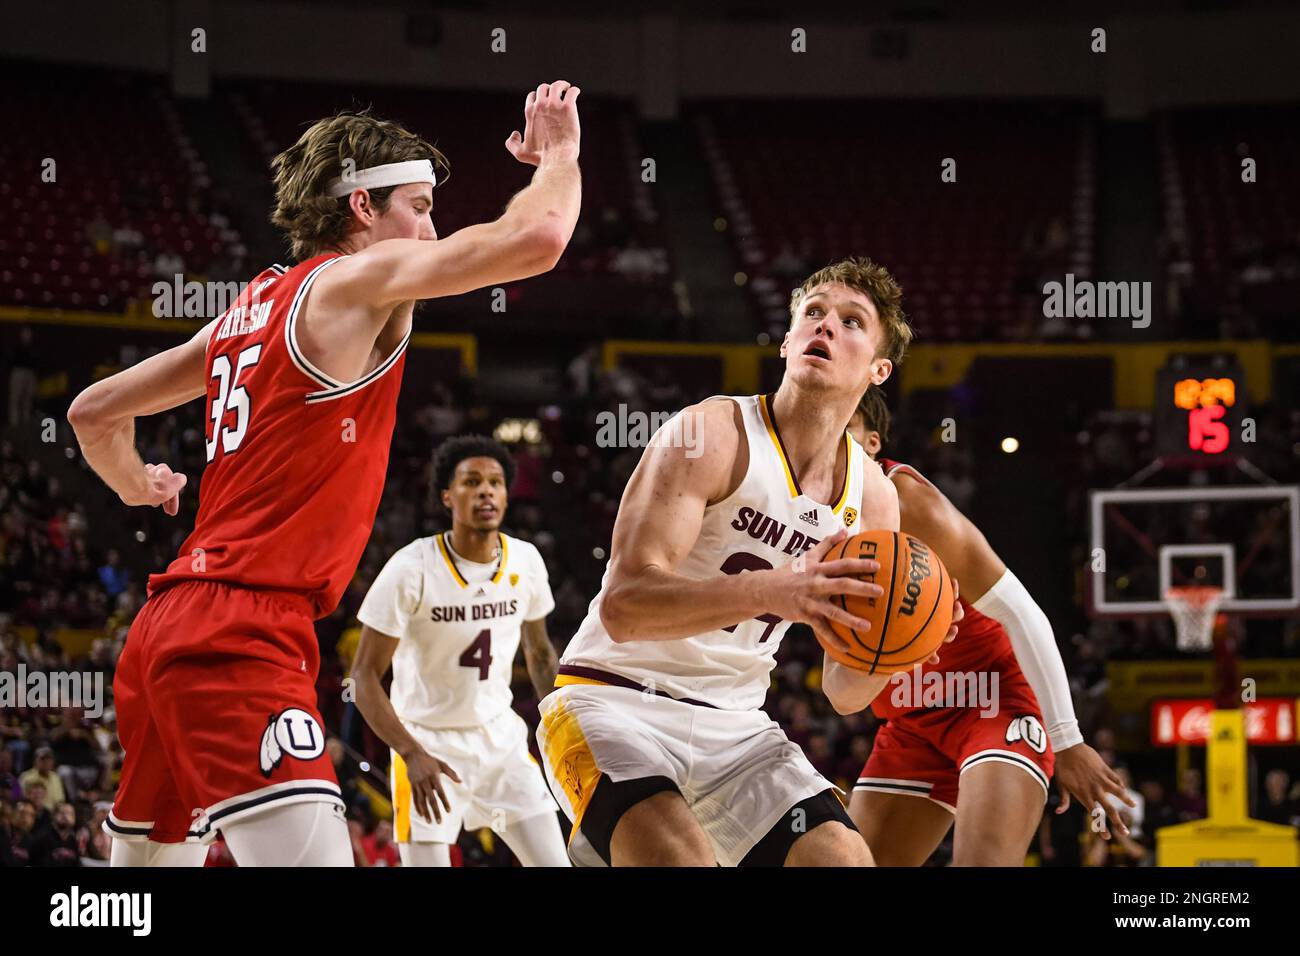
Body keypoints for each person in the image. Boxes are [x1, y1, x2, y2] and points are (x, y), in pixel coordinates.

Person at [66, 81, 583, 867]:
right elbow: (539, 238)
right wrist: (562, 155)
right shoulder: (347, 284)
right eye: (417, 205)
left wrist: (140, 484)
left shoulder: (250, 308)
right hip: (242, 631)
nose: (431, 227)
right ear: (362, 207)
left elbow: (93, 411)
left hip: (168, 624)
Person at [537, 258, 958, 867]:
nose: (826, 327)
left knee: (844, 861)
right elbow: (625, 608)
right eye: (813, 313)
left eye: (851, 322)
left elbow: (844, 691)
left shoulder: (874, 497)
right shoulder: (710, 433)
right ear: (787, 340)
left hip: (737, 728)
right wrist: (773, 590)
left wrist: (899, 652)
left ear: (878, 369)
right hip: (611, 700)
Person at [846, 388, 1133, 865]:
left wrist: (1069, 740)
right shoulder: (806, 515)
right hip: (911, 716)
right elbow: (839, 692)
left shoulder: (911, 504)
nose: (829, 437)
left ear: (873, 443)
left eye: (846, 427)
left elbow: (1024, 613)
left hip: (991, 700)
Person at [352, 436, 568, 867]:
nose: (486, 490)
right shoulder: (411, 568)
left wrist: (566, 727)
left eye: (496, 482)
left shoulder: (525, 561)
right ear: (448, 496)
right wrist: (411, 752)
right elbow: (362, 679)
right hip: (426, 743)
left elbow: (541, 654)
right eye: (472, 482)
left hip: (500, 741)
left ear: (507, 494)